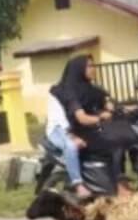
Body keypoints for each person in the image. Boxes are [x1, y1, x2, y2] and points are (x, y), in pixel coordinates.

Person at [50, 56, 132, 199]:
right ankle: (119, 183)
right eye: (89, 66)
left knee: (126, 136)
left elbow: (109, 104)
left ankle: (122, 179)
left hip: (94, 128)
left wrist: (132, 108)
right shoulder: (69, 91)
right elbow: (81, 118)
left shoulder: (92, 89)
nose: (93, 69)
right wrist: (100, 117)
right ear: (79, 69)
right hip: (79, 131)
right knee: (116, 143)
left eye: (93, 65)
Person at [46, 88, 90, 200]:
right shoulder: (58, 93)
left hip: (77, 128)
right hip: (59, 129)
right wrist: (74, 137)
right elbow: (61, 121)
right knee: (71, 146)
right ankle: (78, 184)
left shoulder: (85, 91)